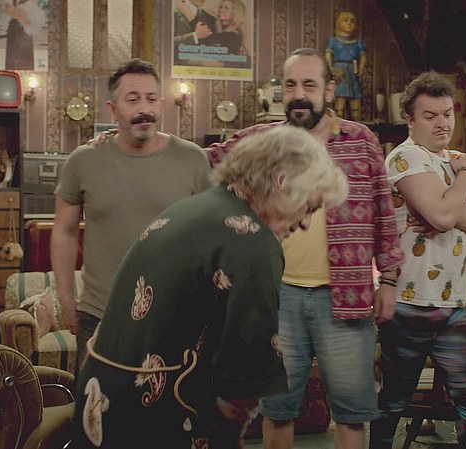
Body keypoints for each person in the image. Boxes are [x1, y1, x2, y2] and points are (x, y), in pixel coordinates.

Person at [73, 126, 350, 449]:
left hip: (100, 405)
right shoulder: (253, 241)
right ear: (282, 181)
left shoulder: (199, 207)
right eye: (310, 207)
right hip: (154, 421)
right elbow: (242, 378)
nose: (305, 223)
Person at [207, 48, 405, 449]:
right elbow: (204, 160)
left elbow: (384, 213)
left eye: (309, 85)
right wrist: (146, 142)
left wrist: (389, 280)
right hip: (275, 296)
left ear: (329, 90)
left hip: (346, 296)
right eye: (290, 84)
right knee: (277, 408)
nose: (298, 94)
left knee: (352, 414)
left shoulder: (361, 141)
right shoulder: (264, 142)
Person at [51, 58, 211, 374]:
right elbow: (64, 232)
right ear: (113, 110)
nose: (144, 109)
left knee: (172, 402)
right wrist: (66, 298)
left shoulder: (192, 159)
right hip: (100, 313)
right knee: (94, 402)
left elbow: (208, 235)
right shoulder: (84, 161)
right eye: (133, 99)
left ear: (162, 104)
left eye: (151, 99)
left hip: (175, 313)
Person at [369, 71, 466, 449]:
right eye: (430, 116)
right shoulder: (406, 157)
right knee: (394, 401)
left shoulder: (454, 160)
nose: (442, 123)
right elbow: (443, 217)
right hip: (410, 301)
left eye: (447, 114)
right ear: (409, 119)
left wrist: (446, 209)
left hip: (454, 302)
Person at [325, 10, 366, 121]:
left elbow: (363, 56)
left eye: (352, 21)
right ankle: (339, 122)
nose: (349, 23)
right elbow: (328, 55)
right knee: (340, 99)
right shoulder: (333, 41)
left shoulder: (358, 43)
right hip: (340, 72)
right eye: (345, 21)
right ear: (338, 24)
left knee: (355, 99)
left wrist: (361, 68)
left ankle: (356, 121)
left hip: (353, 71)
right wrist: (331, 69)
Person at [2, 0, 45, 70]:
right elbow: (8, 10)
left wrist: (15, 12)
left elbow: (29, 20)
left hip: (24, 32)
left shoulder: (30, 4)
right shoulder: (12, 3)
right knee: (11, 60)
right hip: (13, 29)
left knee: (25, 60)